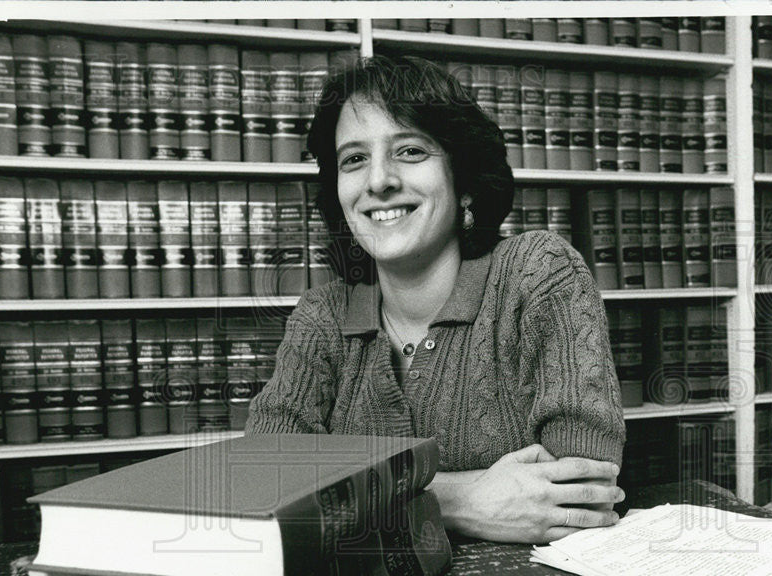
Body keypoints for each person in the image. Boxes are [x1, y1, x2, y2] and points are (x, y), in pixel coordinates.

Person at [245, 55, 626, 544]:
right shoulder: (322, 317)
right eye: (354, 159)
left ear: (463, 181)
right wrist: (459, 500)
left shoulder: (538, 274)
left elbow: (582, 486)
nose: (378, 181)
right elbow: (262, 485)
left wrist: (352, 496)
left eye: (410, 151)